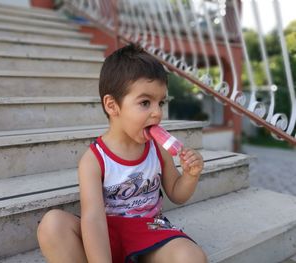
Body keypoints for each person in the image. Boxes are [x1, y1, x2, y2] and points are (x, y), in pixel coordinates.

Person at [37, 44, 207, 263]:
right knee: (52, 225)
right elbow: (93, 219)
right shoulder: (94, 160)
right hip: (108, 233)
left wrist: (191, 175)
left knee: (191, 257)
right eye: (145, 102)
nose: (157, 112)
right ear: (112, 105)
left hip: (150, 228)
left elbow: (177, 194)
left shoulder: (157, 148)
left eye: (160, 102)